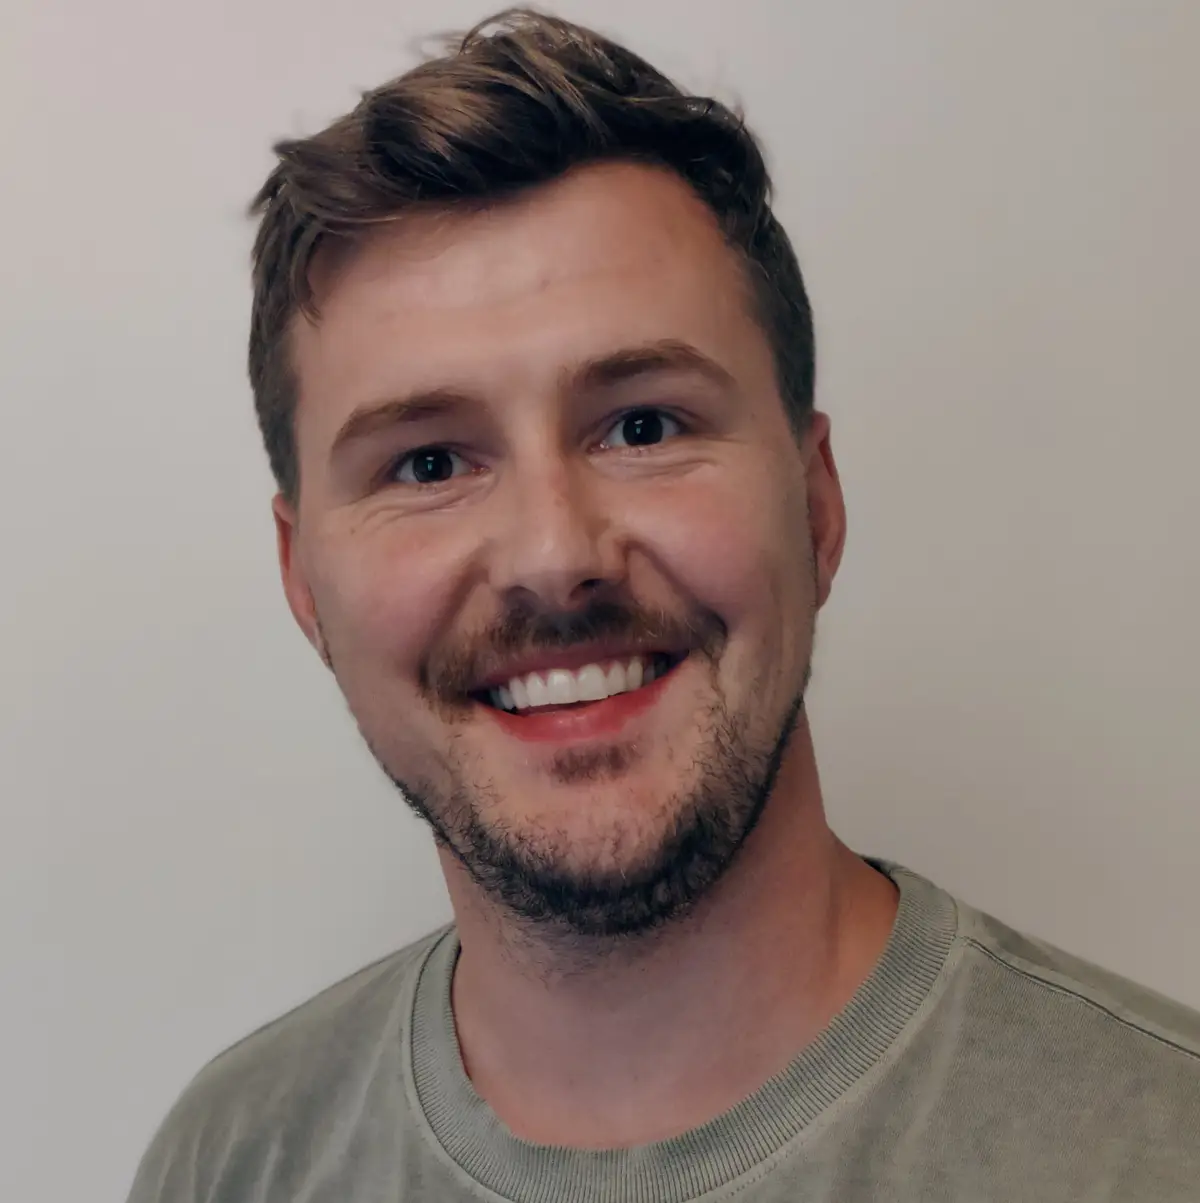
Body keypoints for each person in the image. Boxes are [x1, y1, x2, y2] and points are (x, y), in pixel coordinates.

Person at [126, 9, 1200, 1201]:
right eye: (428, 464)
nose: (553, 555)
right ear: (303, 583)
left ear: (816, 507)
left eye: (643, 426)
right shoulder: (232, 1162)